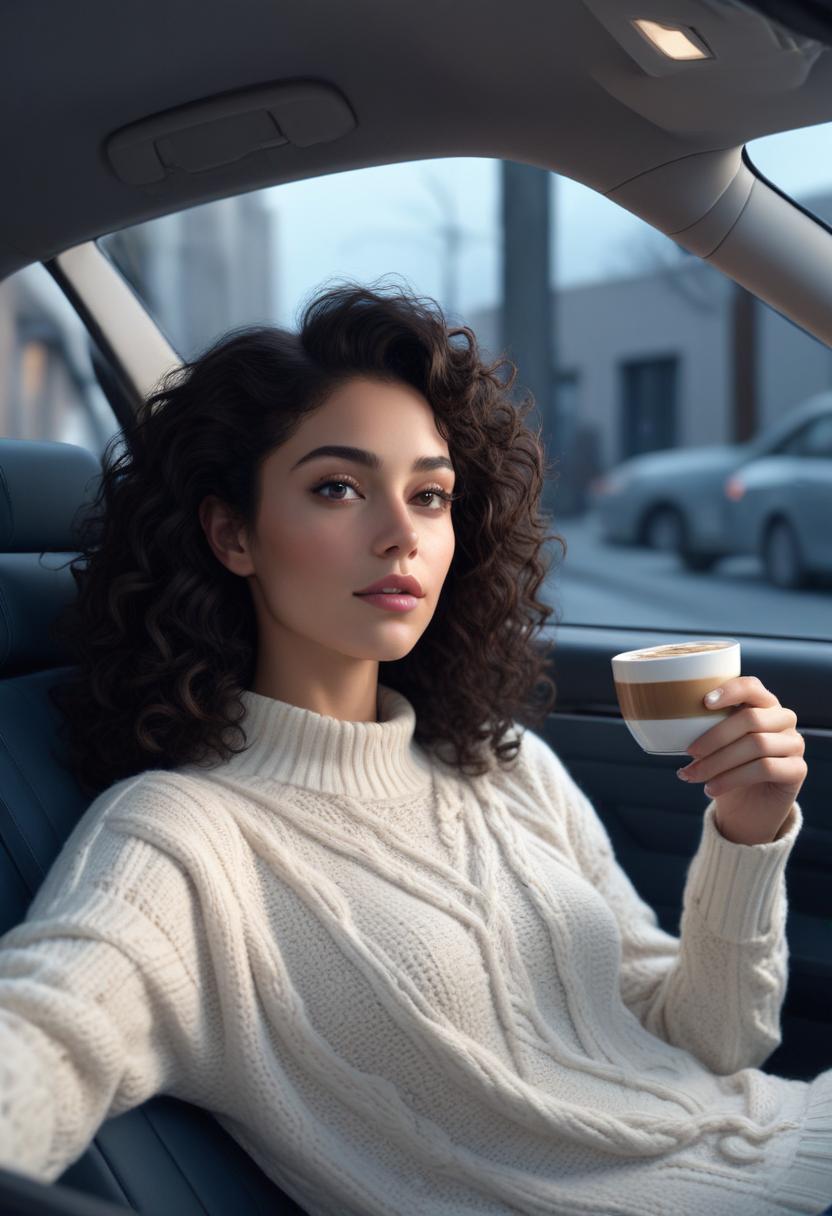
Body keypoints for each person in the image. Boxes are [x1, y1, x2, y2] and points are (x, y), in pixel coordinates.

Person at [0, 279, 828, 1216]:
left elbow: (712, 1044)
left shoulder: (501, 759)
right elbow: (45, 1039)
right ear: (233, 533)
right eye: (339, 488)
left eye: (430, 495)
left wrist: (747, 836)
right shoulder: (182, 841)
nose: (401, 536)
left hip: (789, 1144)